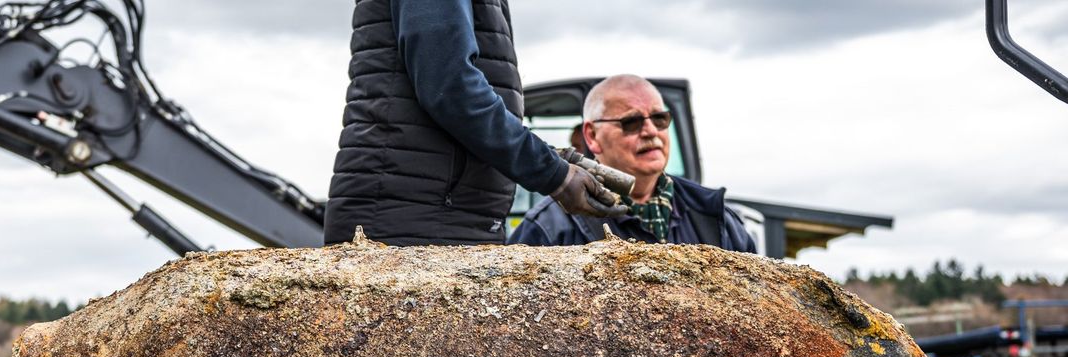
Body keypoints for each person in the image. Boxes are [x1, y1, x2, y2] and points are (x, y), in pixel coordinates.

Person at [323, 0, 625, 247]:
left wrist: (551, 159)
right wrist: (553, 174)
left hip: (437, 215)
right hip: (415, 220)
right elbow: (450, 87)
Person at [509, 74, 756, 252]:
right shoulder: (548, 228)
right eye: (631, 122)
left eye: (660, 119)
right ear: (592, 136)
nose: (651, 131)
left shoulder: (717, 220)